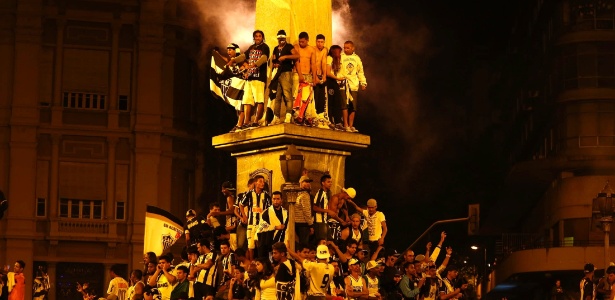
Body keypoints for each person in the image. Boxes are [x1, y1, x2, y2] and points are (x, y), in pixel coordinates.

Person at [230, 30, 270, 128]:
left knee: (259, 100)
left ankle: (256, 121)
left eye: (259, 36)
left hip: (259, 77)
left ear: (262, 37)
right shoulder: (251, 48)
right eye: (256, 36)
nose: (257, 38)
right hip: (249, 78)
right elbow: (244, 56)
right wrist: (234, 60)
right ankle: (246, 122)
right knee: (247, 101)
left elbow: (265, 58)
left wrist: (255, 64)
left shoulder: (265, 47)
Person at [239, 175, 271, 260]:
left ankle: (260, 262)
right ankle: (251, 263)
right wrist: (244, 216)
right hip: (251, 223)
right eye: (260, 181)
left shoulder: (266, 195)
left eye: (263, 181)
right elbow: (241, 204)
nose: (262, 183)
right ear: (255, 183)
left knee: (260, 244)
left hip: (261, 224)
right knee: (250, 246)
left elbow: (270, 209)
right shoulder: (249, 194)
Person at [271, 29, 299, 125]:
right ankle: (276, 117)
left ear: (285, 38)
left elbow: (297, 56)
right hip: (278, 73)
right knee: (277, 96)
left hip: (286, 72)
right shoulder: (275, 48)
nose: (281, 40)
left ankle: (288, 115)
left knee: (287, 95)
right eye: (280, 39)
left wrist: (285, 57)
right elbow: (273, 59)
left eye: (283, 39)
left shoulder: (289, 46)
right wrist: (275, 64)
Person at [340, 41, 367, 133]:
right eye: (344, 48)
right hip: (343, 84)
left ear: (353, 48)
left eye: (347, 48)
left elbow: (360, 71)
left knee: (353, 106)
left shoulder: (357, 59)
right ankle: (345, 125)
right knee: (344, 105)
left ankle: (351, 125)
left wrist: (363, 83)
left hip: (353, 85)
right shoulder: (341, 57)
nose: (345, 49)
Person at [293, 32, 318, 125]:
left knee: (307, 97)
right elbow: (297, 61)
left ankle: (308, 117)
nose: (301, 43)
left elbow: (313, 64)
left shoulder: (311, 49)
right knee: (297, 96)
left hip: (308, 75)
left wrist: (314, 78)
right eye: (300, 41)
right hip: (297, 73)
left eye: (303, 42)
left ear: (307, 40)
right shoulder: (296, 47)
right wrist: (300, 75)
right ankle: (297, 116)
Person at [257, 191, 289, 258]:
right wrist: (275, 227)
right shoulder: (266, 212)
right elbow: (261, 227)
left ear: (281, 200)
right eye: (274, 199)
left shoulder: (285, 212)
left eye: (278, 199)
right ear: (271, 200)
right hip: (268, 241)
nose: (276, 201)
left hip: (281, 240)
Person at [325, 45, 347, 129]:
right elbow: (328, 72)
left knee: (337, 101)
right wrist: (337, 78)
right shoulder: (329, 58)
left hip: (334, 81)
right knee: (330, 101)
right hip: (330, 81)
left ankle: (338, 121)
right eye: (339, 51)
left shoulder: (337, 60)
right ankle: (330, 120)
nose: (340, 53)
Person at [313, 34, 329, 128]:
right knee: (315, 96)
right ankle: (314, 115)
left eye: (322, 42)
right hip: (314, 75)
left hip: (321, 75)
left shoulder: (325, 50)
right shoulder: (313, 49)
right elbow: (313, 63)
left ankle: (321, 115)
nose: (320, 44)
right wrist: (315, 77)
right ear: (316, 42)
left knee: (322, 96)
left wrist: (324, 76)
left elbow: (323, 62)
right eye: (318, 42)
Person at [236, 178, 255, 252]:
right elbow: (235, 210)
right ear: (249, 185)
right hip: (243, 223)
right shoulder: (241, 196)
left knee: (251, 246)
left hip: (253, 223)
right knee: (241, 245)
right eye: (253, 185)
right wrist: (241, 217)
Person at [313, 174, 333, 242]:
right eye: (328, 182)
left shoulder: (327, 193)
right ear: (323, 183)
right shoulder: (320, 193)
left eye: (331, 182)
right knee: (322, 241)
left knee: (328, 241)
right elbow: (315, 207)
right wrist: (327, 211)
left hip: (325, 221)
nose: (330, 184)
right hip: (319, 222)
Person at [295, 175, 314, 246]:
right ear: (301, 183)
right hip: (303, 224)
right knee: (304, 245)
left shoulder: (297, 194)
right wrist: (311, 225)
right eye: (306, 182)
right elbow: (306, 211)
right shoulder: (305, 195)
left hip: (297, 223)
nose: (308, 184)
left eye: (309, 182)